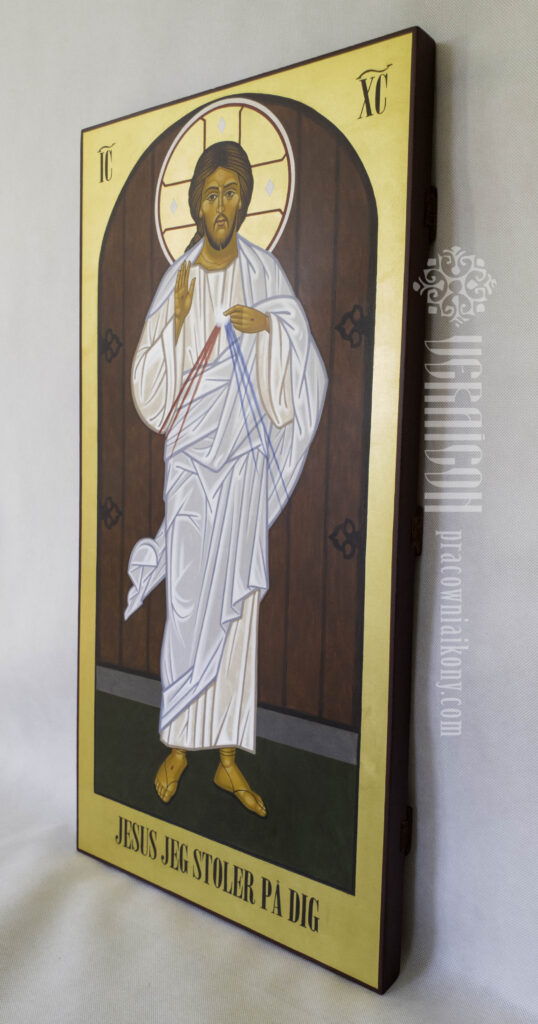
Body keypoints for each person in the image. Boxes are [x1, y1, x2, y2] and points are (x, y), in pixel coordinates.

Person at [124, 140, 327, 817]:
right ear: (196, 204)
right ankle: (181, 745)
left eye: (231, 192)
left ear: (243, 202)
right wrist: (179, 319)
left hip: (241, 465)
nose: (220, 205)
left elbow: (301, 361)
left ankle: (228, 759)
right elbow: (151, 385)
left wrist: (266, 325)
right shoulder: (179, 276)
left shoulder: (264, 271)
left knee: (237, 609)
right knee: (186, 601)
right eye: (209, 193)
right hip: (190, 463)